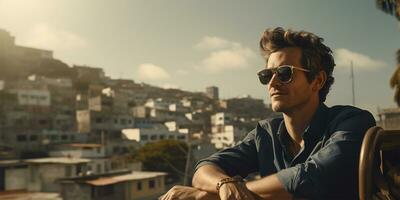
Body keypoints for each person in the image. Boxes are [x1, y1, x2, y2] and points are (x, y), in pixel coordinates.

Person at [160, 27, 376, 200]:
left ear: (317, 81)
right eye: (266, 75)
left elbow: (308, 178)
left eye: (284, 73)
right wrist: (224, 185)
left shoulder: (352, 122)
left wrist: (211, 197)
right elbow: (205, 168)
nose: (272, 83)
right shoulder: (265, 133)